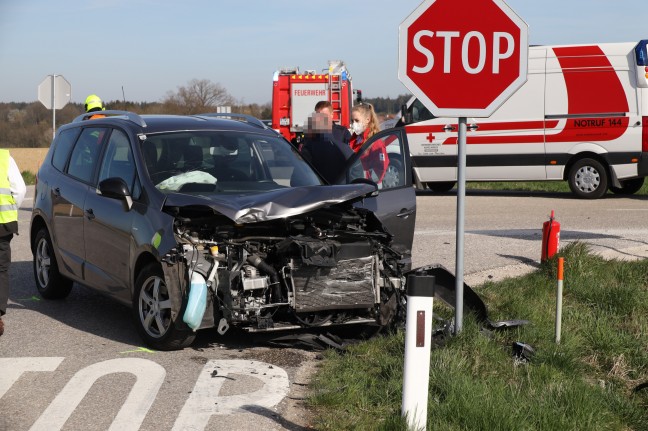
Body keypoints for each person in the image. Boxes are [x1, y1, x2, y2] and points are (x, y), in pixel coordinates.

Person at [0, 149, 27, 337]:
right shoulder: (4, 158)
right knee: (0, 269)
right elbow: (19, 189)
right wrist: (11, 208)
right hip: (2, 224)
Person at [300, 111, 354, 184]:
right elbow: (356, 174)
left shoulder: (309, 149)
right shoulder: (346, 148)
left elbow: (296, 179)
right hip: (344, 192)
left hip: (319, 192)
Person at [349, 103, 389, 184]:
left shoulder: (375, 142)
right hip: (355, 183)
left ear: (367, 120)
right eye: (352, 121)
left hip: (368, 186)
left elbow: (380, 170)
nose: (354, 124)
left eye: (357, 120)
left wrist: (360, 174)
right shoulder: (355, 139)